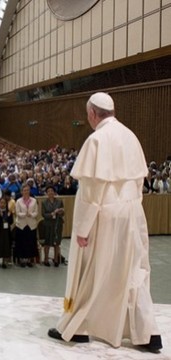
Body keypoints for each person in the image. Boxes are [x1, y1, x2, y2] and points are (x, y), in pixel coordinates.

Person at [48, 92, 162, 353]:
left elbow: (91, 191)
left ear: (91, 114)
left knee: (91, 271)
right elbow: (139, 181)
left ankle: (77, 327)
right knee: (134, 271)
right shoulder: (130, 136)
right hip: (132, 213)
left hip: (104, 216)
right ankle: (147, 333)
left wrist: (82, 229)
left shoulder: (97, 139)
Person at [14, 184, 38, 267]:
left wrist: (31, 214)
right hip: (21, 224)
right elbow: (17, 212)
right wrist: (24, 214)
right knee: (22, 242)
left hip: (31, 225)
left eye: (27, 190)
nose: (26, 192)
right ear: (22, 192)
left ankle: (29, 260)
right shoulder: (18, 201)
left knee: (30, 242)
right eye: (24, 190)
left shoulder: (34, 200)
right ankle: (21, 260)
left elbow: (36, 212)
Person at [41, 186, 64, 267]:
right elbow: (43, 214)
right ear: (46, 193)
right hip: (48, 224)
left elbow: (63, 212)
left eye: (52, 191)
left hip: (57, 224)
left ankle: (56, 259)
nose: (50, 192)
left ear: (54, 192)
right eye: (48, 191)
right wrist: (51, 214)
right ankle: (46, 259)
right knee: (47, 242)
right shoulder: (44, 202)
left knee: (56, 242)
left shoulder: (59, 201)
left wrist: (60, 212)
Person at [0, 197, 13, 269]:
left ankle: (4, 261)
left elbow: (11, 222)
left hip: (6, 232)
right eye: (1, 203)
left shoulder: (8, 211)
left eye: (4, 203)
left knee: (6, 245)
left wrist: (9, 216)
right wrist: (0, 217)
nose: (2, 204)